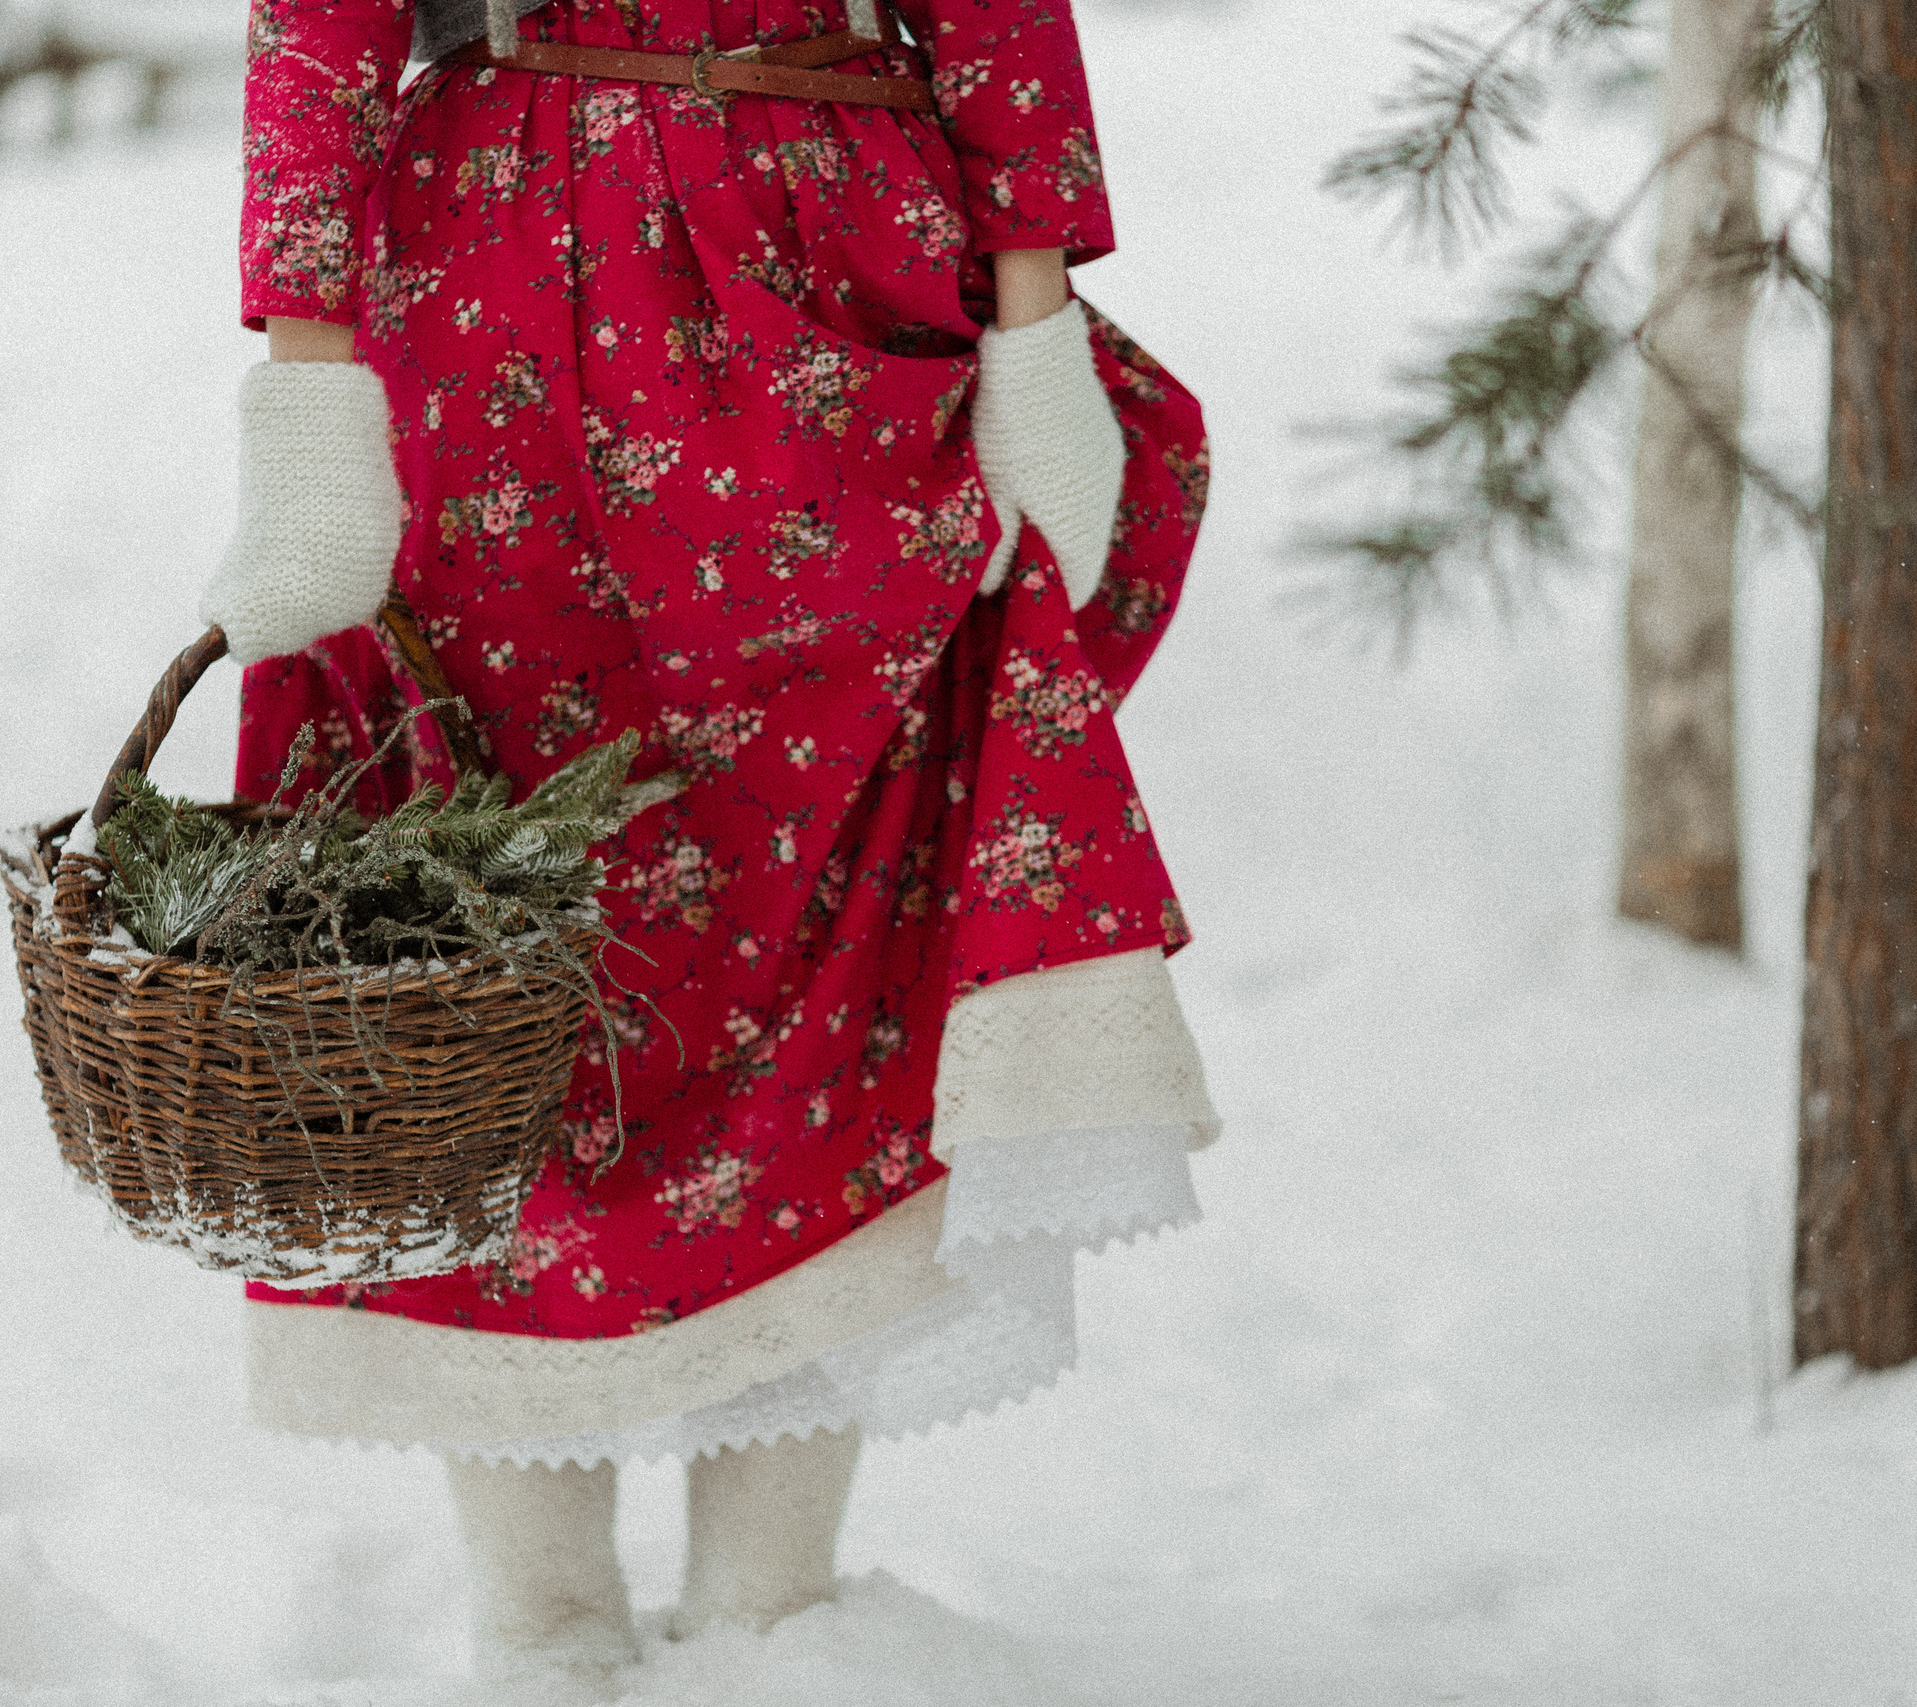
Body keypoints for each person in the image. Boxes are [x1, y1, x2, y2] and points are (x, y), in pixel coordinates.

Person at [203, 0, 1218, 1683]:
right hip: (497, 277)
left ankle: (776, 1620)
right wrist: (307, 381)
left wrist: (1038, 327)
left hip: (836, 281)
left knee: (827, 897)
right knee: (492, 929)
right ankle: (541, 1625)